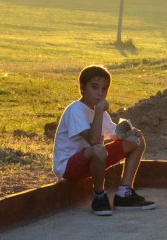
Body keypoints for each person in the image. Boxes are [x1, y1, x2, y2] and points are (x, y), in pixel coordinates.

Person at [52, 65, 153, 216]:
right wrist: (99, 111)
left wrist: (130, 133)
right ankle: (99, 197)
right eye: (95, 87)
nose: (100, 93)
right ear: (82, 87)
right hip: (68, 166)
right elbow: (93, 141)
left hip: (91, 161)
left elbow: (115, 135)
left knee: (137, 141)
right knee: (99, 148)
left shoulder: (100, 113)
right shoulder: (75, 110)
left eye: (104, 89)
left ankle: (124, 194)